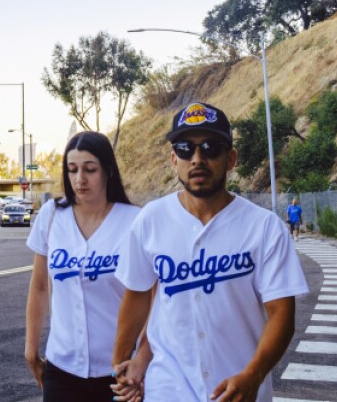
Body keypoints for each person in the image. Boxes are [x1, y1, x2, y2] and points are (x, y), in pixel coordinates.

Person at [112, 102, 308, 402]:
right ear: (174, 159)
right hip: (168, 387)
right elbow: (138, 297)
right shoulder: (151, 220)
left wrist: (254, 375)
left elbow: (282, 313)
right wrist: (123, 365)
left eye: (210, 147)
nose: (197, 159)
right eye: (186, 149)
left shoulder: (264, 227)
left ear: (230, 159)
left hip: (238, 390)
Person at [25, 131, 150, 402]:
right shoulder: (51, 216)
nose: (80, 178)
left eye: (90, 169)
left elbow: (151, 300)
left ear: (108, 171)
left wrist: (141, 359)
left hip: (119, 371)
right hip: (62, 368)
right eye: (72, 170)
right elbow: (39, 286)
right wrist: (31, 349)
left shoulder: (135, 221)